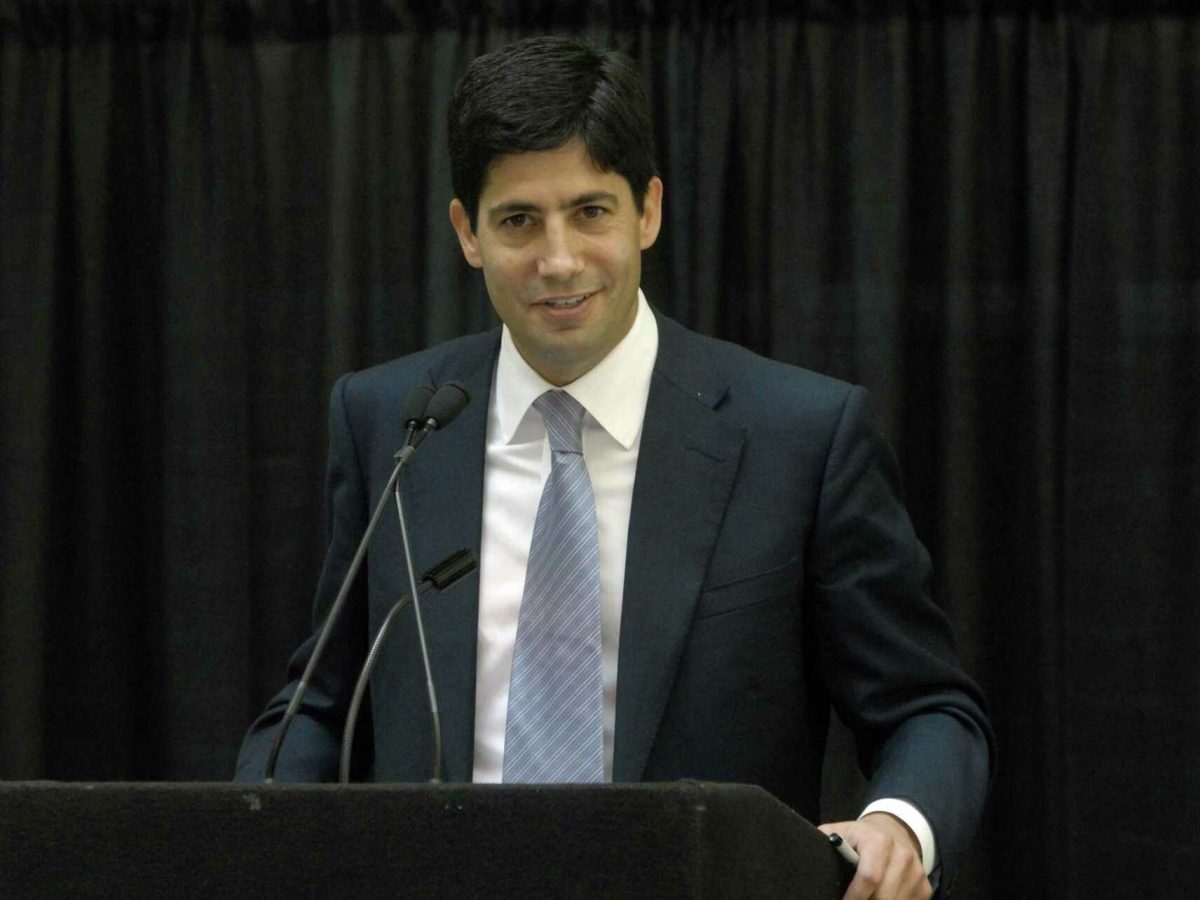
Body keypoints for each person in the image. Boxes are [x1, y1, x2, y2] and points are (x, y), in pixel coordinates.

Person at [236, 36, 993, 900]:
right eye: (519, 221)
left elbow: (929, 709)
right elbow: (321, 703)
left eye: (590, 211)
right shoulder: (395, 424)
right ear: (467, 233)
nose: (558, 260)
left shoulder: (799, 437)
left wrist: (898, 824)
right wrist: (254, 828)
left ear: (649, 212)